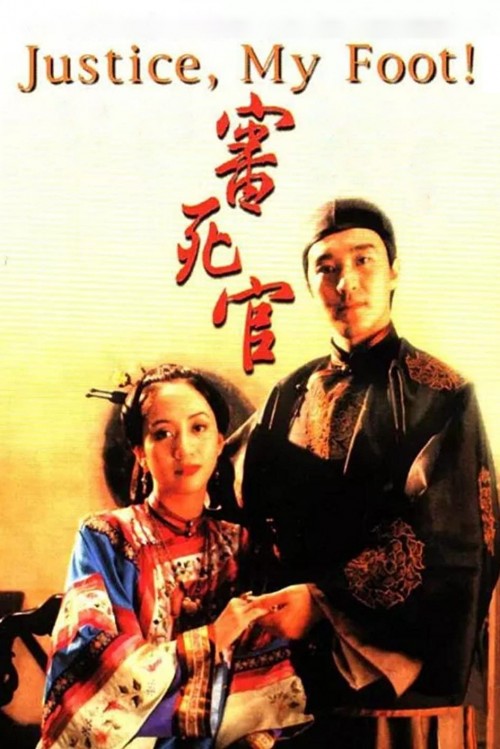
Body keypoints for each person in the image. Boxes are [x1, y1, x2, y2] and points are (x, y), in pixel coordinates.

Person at [226, 198, 500, 749]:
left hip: (391, 677)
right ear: (309, 284)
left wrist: (322, 602)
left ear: (393, 270)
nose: (346, 282)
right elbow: (238, 502)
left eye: (363, 260)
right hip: (288, 680)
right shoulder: (289, 394)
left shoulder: (443, 394)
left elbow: (456, 543)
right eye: (326, 268)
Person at [38, 364, 312, 749]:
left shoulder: (241, 544)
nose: (183, 448)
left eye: (198, 428)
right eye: (162, 433)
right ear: (140, 451)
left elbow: (264, 671)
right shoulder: (105, 538)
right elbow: (93, 663)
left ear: (220, 441)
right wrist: (210, 639)